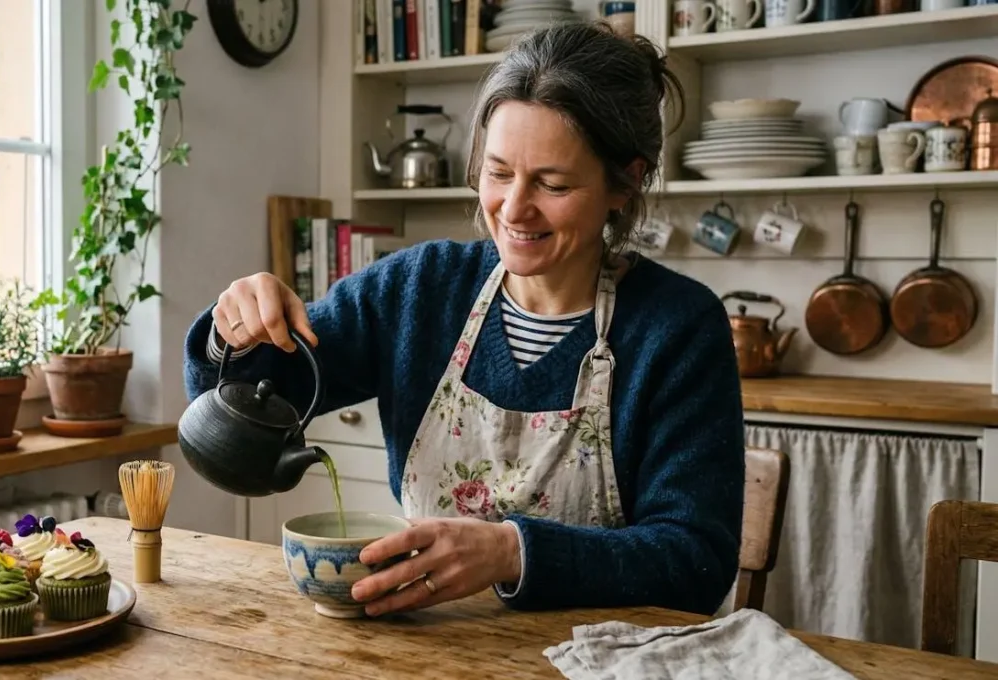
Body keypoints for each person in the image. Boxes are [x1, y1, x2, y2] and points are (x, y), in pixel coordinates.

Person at [182, 22, 745, 618]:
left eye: (551, 183)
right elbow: (247, 398)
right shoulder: (419, 290)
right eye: (498, 173)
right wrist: (234, 332)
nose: (514, 207)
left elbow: (695, 563)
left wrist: (512, 552)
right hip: (427, 646)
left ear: (624, 183)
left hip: (605, 658)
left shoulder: (678, 329)